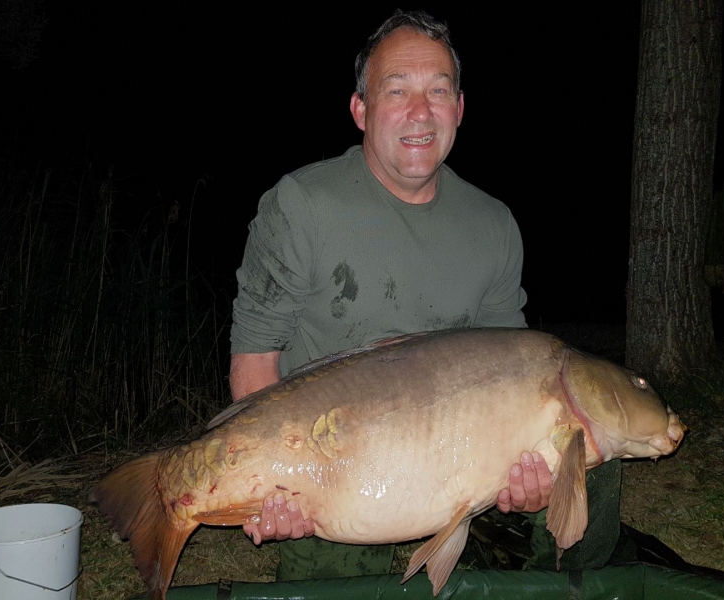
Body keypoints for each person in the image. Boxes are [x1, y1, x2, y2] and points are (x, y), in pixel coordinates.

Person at [229, 8, 620, 581]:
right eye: (398, 91)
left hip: (460, 460)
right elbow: (255, 359)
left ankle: (556, 591)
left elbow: (519, 377)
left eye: (438, 91)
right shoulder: (300, 206)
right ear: (360, 110)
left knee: (595, 461)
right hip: (337, 466)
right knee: (338, 578)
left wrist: (533, 476)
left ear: (459, 109)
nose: (420, 112)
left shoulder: (493, 225)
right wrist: (270, 483)